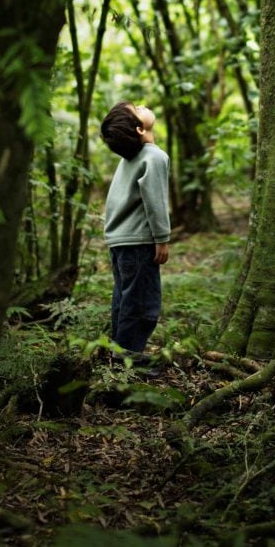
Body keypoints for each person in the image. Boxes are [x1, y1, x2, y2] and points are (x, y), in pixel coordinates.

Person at [100, 101, 170, 358]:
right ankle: (128, 359)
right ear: (140, 129)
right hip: (139, 242)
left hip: (120, 241)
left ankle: (118, 353)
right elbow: (156, 202)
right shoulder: (154, 157)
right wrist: (162, 239)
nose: (143, 105)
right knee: (141, 303)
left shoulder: (130, 159)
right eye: (137, 109)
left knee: (124, 299)